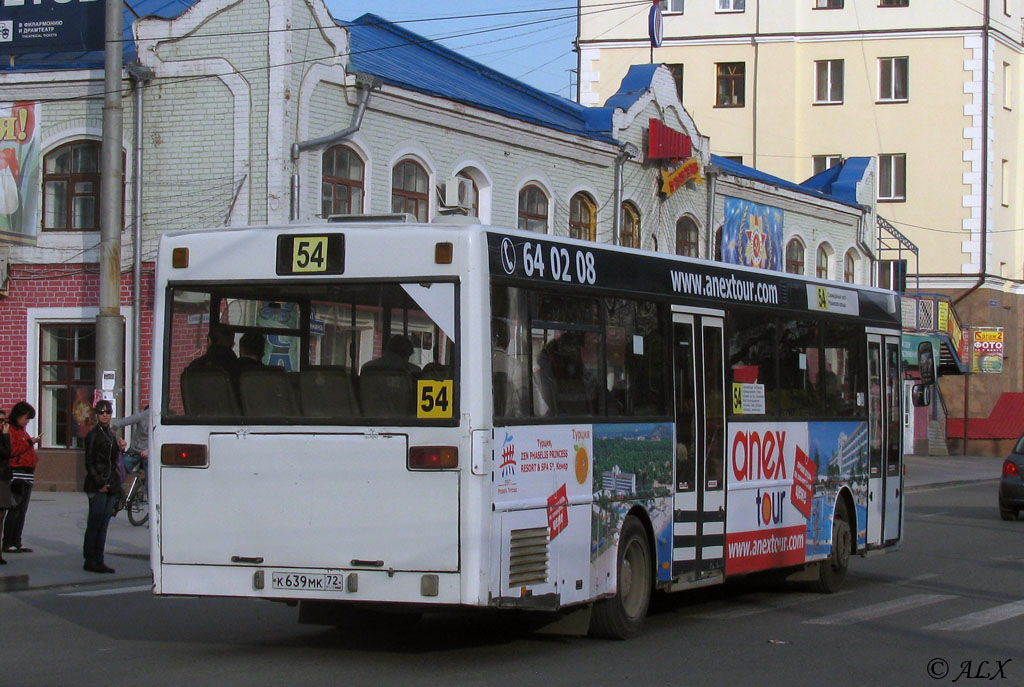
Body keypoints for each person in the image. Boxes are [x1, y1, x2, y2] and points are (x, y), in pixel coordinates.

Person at [82, 400, 123, 574]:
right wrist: (99, 483)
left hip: (111, 482)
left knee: (104, 524)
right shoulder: (93, 435)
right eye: (101, 412)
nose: (105, 415)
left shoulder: (111, 433)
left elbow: (113, 461)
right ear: (96, 414)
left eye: (108, 412)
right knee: (95, 522)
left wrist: (120, 446)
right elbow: (89, 462)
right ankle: (90, 559)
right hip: (97, 484)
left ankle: (99, 559)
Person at [3, 401, 40, 554]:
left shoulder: (22, 431)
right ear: (18, 416)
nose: (27, 422)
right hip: (16, 474)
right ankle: (8, 542)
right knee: (14, 509)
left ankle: (16, 541)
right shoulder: (9, 430)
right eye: (26, 418)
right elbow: (12, 450)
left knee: (22, 510)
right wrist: (29, 442)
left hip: (27, 473)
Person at [111, 405, 149, 477]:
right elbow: (120, 423)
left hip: (150, 454)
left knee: (151, 479)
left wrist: (148, 450)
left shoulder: (161, 420)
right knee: (119, 471)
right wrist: (115, 437)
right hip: (135, 450)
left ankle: (145, 485)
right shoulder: (142, 416)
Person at [0, 408, 14, 565]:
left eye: (4, 421)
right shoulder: (3, 437)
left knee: (2, 514)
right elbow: (5, 453)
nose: (3, 424)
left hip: (3, 478)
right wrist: (5, 436)